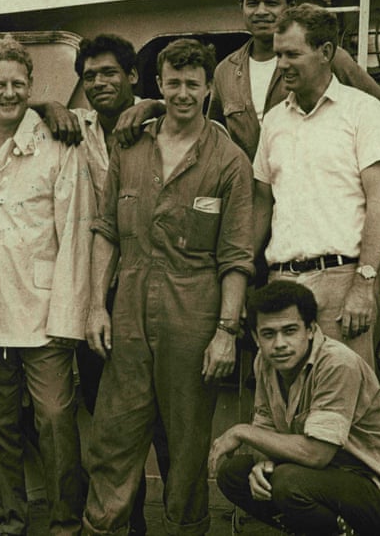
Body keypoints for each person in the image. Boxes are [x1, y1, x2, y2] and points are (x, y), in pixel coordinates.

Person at [82, 38, 254, 536]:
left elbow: (236, 257)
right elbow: (106, 231)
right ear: (158, 84)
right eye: (173, 83)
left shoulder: (229, 161)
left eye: (192, 85)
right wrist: (96, 306)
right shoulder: (130, 145)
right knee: (113, 437)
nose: (182, 94)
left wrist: (226, 332)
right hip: (129, 310)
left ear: (207, 89)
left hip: (194, 313)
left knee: (186, 446)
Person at [0, 35, 94, 536]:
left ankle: (65, 524)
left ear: (31, 86)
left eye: (17, 83)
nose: (8, 93)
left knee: (54, 421)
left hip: (45, 313)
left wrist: (69, 319)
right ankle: (10, 523)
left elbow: (75, 232)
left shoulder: (60, 145)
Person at [114, 0, 380, 159]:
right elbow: (211, 132)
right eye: (252, 3)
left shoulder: (327, 59)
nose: (261, 12)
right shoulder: (225, 71)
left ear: (290, 6)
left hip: (309, 194)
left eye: (271, 3)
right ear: (242, 6)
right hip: (250, 198)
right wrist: (155, 106)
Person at [209, 280, 380, 535]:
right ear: (257, 337)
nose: (279, 343)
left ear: (311, 329)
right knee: (234, 474)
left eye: (290, 330)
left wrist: (242, 432)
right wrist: (263, 462)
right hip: (324, 478)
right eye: (268, 334)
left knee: (288, 481)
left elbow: (317, 454)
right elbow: (265, 430)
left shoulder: (338, 363)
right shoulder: (265, 362)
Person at [251, 3, 380, 370]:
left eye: (292, 54)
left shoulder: (365, 112)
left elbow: (379, 204)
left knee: (346, 394)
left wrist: (364, 284)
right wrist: (245, 277)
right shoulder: (274, 121)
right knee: (286, 398)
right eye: (278, 54)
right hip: (282, 283)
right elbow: (262, 203)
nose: (281, 64)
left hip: (342, 282)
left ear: (326, 52)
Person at [69, 33, 169, 536]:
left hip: (158, 290)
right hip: (100, 294)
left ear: (132, 76)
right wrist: (47, 106)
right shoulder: (76, 128)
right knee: (111, 423)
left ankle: (182, 522)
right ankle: (132, 526)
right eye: (89, 77)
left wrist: (154, 104)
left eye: (109, 72)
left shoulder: (163, 122)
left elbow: (197, 111)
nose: (99, 83)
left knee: (167, 422)